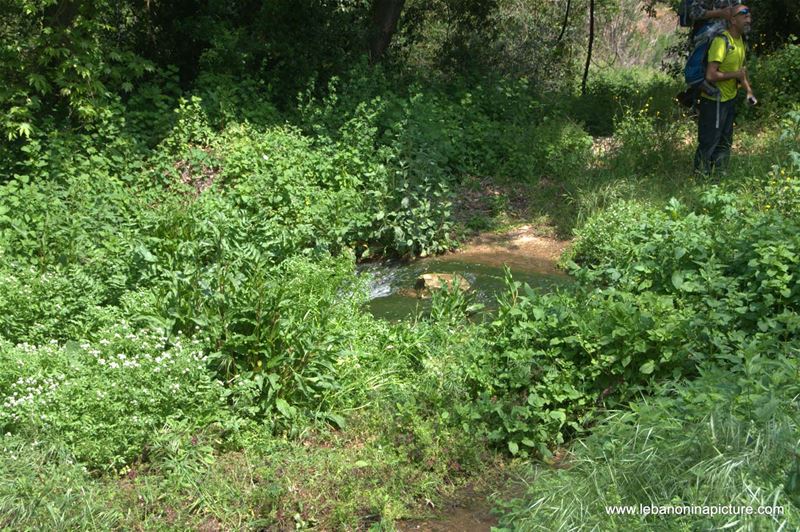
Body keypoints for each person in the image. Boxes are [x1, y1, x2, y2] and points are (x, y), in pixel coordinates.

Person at [694, 4, 755, 175]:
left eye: (749, 15)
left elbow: (741, 72)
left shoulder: (741, 41)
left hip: (729, 100)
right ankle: (699, 178)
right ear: (732, 20)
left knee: (725, 141)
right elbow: (710, 75)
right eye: (744, 15)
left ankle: (719, 177)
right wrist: (735, 74)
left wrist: (749, 91)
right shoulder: (722, 41)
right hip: (714, 101)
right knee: (709, 141)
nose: (748, 18)